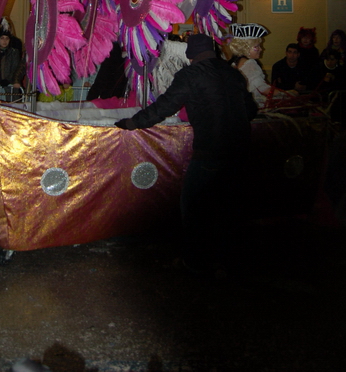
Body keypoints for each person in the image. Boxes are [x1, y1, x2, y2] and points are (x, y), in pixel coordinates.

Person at [115, 32, 257, 277]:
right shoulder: (232, 73)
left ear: (190, 55)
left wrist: (132, 123)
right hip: (240, 149)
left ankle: (196, 261)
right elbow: (251, 109)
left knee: (193, 207)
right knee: (227, 208)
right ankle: (228, 260)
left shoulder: (190, 75)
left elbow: (164, 106)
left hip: (210, 151)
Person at [227, 23, 271, 107]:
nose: (261, 49)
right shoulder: (250, 63)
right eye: (257, 46)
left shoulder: (234, 62)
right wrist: (285, 94)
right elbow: (263, 89)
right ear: (246, 48)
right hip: (252, 107)